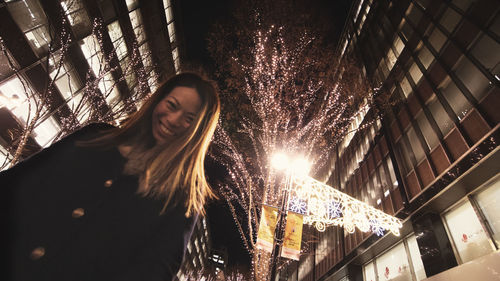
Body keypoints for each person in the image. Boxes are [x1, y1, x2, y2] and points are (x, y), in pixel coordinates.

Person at [2, 72, 221, 281]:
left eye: (189, 119)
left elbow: (152, 272)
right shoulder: (95, 136)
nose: (173, 119)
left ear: (198, 132)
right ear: (157, 101)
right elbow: (18, 182)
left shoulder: (181, 200)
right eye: (171, 105)